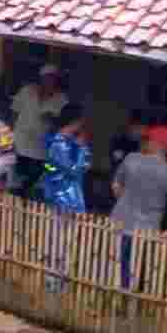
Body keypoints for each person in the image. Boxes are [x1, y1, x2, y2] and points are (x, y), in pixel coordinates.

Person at [111, 125, 167, 290]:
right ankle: (131, 300)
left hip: (119, 223)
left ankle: (116, 298)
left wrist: (126, 202)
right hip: (148, 231)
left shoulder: (131, 159)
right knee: (139, 269)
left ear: (156, 143)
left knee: (115, 266)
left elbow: (116, 186)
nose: (144, 142)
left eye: (147, 139)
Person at [41, 104, 92, 292]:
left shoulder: (65, 142)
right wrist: (83, 149)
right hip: (62, 196)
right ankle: (54, 282)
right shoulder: (59, 143)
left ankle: (61, 281)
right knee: (58, 240)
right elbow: (74, 170)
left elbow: (83, 167)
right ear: (76, 122)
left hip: (68, 194)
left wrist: (82, 150)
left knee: (67, 241)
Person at [11, 64, 69, 197]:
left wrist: (53, 119)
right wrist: (9, 136)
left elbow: (64, 124)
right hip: (20, 143)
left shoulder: (62, 99)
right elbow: (14, 112)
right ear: (41, 78)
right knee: (16, 181)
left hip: (41, 149)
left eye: (53, 79)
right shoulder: (27, 91)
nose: (50, 82)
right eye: (47, 78)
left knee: (33, 182)